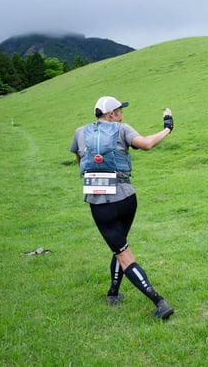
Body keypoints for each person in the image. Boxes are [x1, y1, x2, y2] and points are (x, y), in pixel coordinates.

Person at [69, 96, 175, 319]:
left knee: (122, 252)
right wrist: (167, 128)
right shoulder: (121, 129)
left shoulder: (80, 132)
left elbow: (80, 163)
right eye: (119, 111)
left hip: (100, 203)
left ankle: (159, 302)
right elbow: (146, 144)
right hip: (127, 198)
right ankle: (113, 293)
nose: (121, 115)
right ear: (110, 115)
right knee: (120, 245)